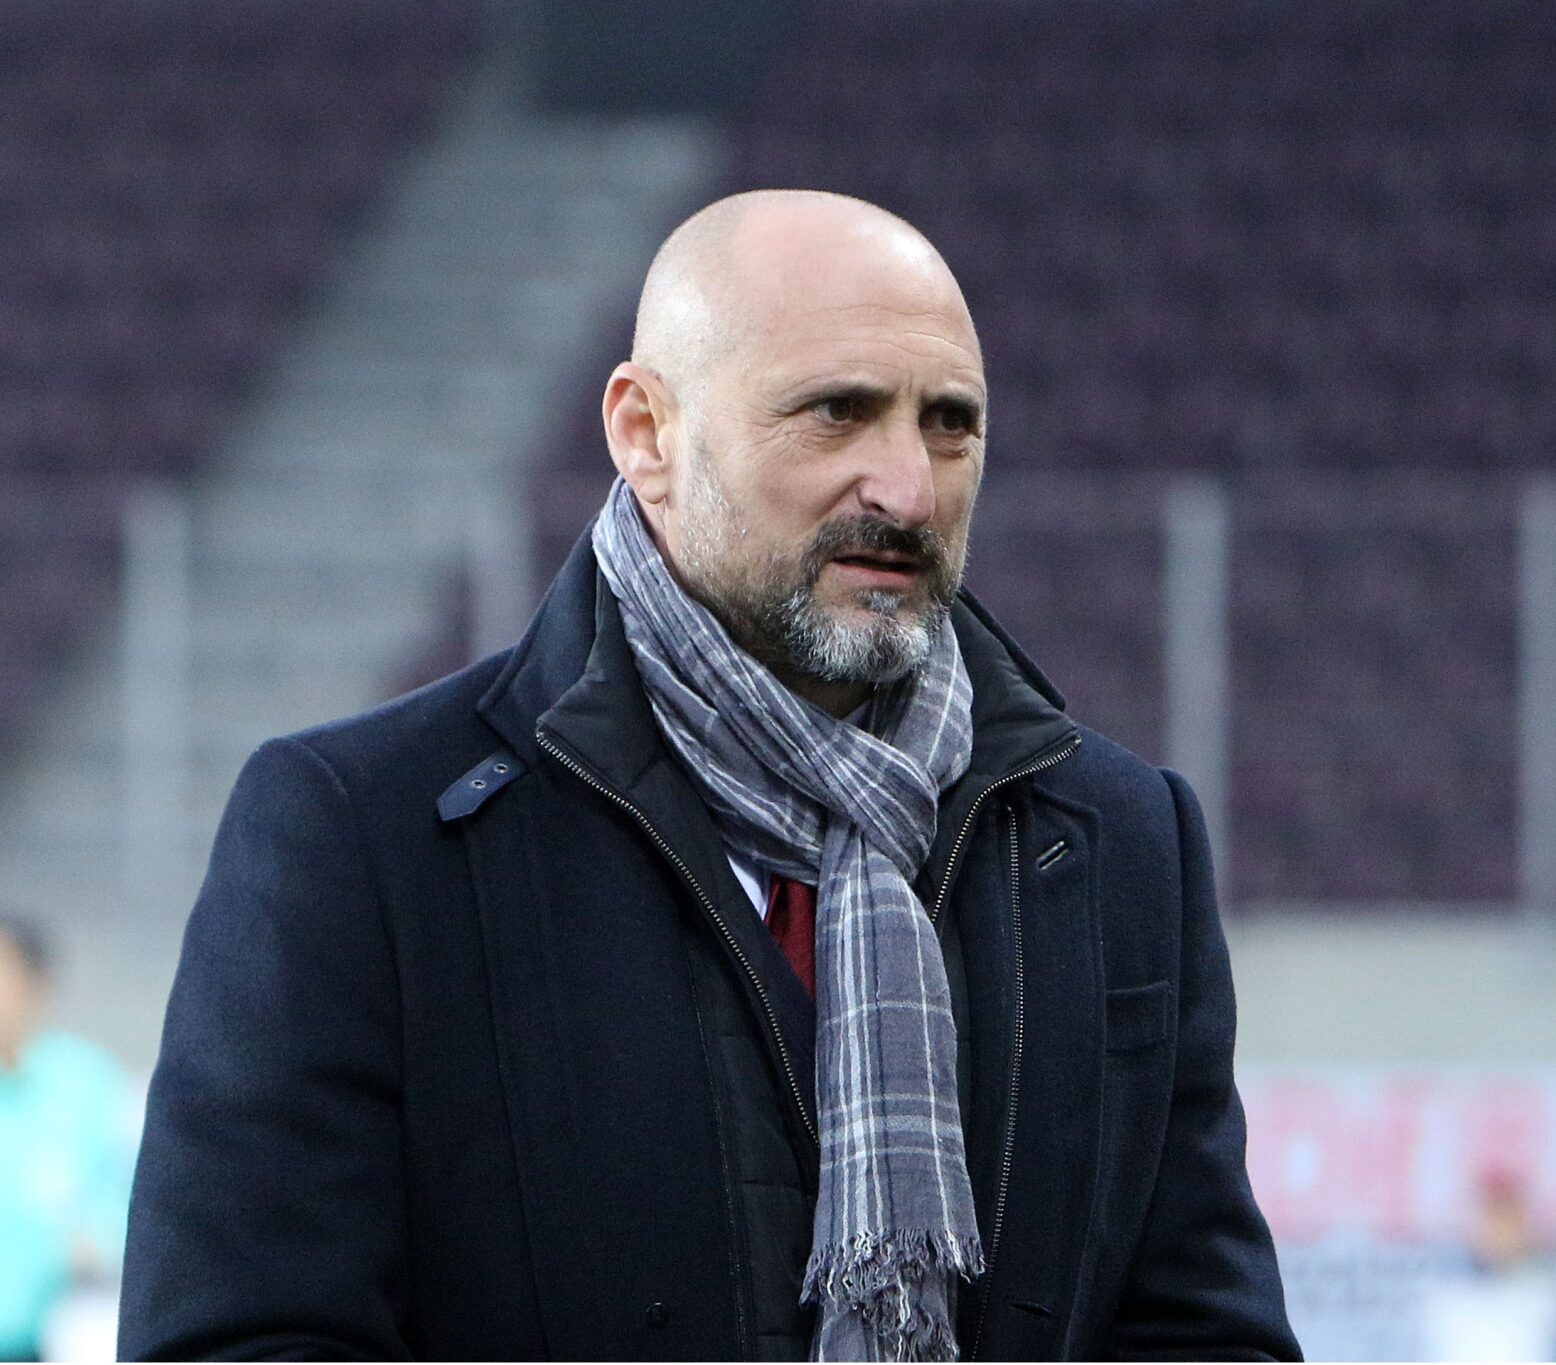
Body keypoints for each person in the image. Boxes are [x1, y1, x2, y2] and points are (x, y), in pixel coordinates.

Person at [119, 189, 1298, 1361]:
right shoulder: (361, 834)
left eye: (949, 424)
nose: (907, 488)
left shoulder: (1117, 839)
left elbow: (1207, 1335)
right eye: (836, 412)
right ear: (646, 433)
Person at [0, 915, 136, 1362]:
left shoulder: (85, 1083)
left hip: (44, 1337)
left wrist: (93, 1242)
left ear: (36, 985)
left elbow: (127, 1198)